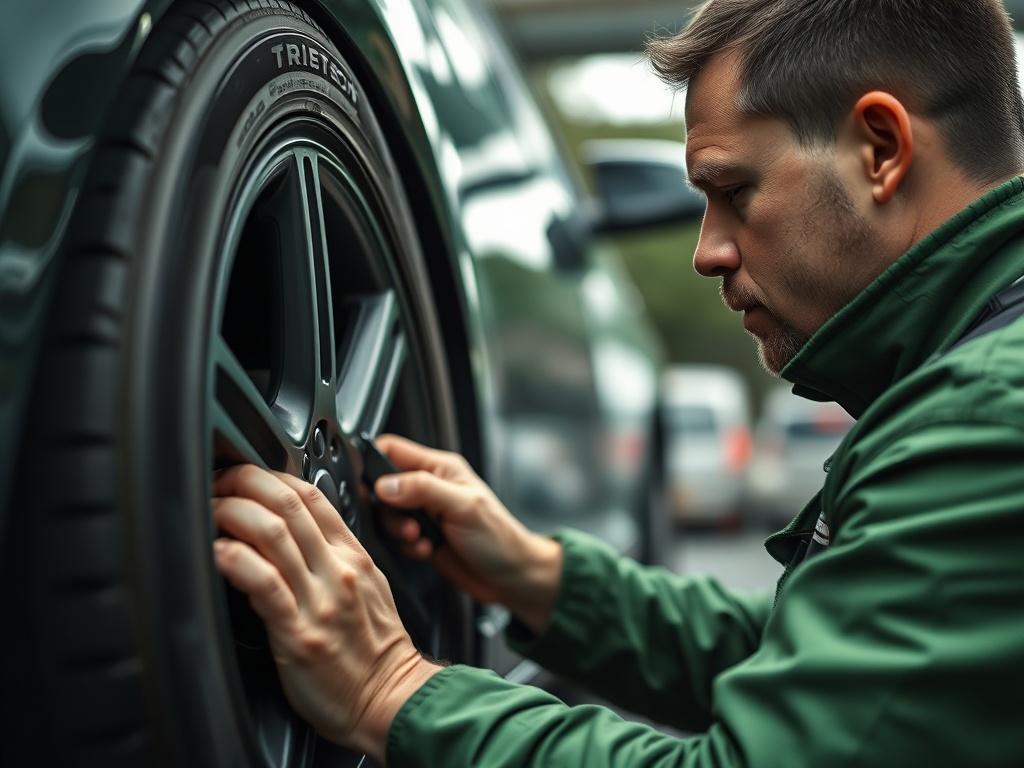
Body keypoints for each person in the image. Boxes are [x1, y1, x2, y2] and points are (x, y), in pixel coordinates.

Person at [211, 0, 1024, 764]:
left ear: (879, 149)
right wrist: (535, 576)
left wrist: (392, 688)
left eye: (733, 192)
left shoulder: (985, 417)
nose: (707, 251)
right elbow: (827, 668)